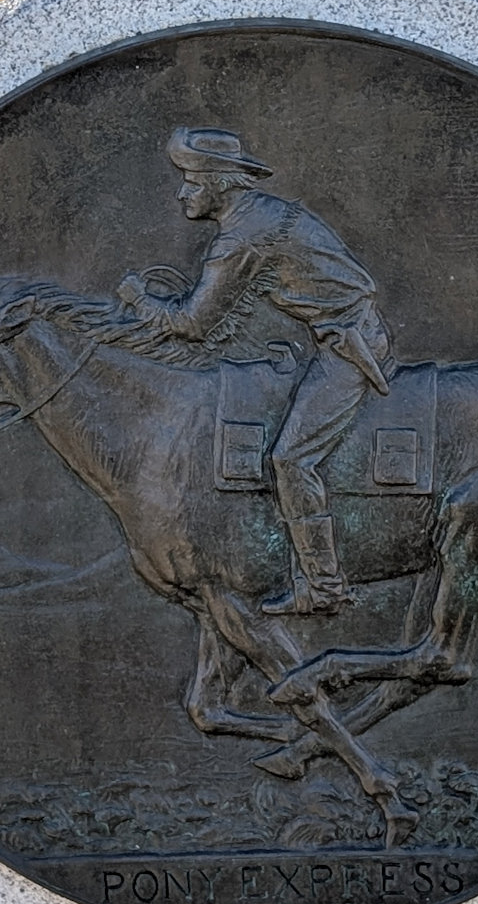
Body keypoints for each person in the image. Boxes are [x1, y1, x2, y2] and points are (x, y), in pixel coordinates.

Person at [119, 127, 395, 615]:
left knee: (291, 460)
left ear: (220, 183)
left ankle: (324, 587)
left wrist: (139, 300)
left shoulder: (242, 238)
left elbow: (193, 323)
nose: (183, 192)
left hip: (349, 348)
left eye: (192, 181)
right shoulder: (268, 214)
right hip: (333, 334)